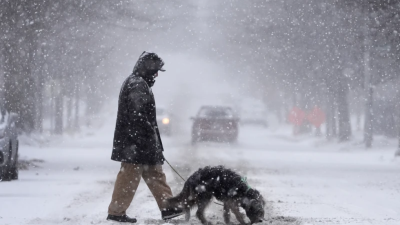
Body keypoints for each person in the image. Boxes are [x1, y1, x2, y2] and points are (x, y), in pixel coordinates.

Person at [107, 51, 183, 223]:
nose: (156, 75)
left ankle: (168, 207)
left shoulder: (139, 83)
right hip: (135, 143)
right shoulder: (136, 84)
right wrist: (147, 139)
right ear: (146, 68)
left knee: (155, 174)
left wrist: (152, 143)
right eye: (155, 70)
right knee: (129, 177)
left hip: (140, 142)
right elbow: (138, 116)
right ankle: (116, 212)